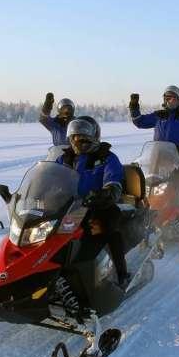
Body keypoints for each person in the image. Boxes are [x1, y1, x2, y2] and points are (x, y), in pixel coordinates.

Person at [56, 116, 129, 286]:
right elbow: (49, 176)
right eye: (73, 137)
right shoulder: (65, 158)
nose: (76, 141)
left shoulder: (106, 158)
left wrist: (108, 191)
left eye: (81, 137)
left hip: (99, 205)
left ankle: (121, 274)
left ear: (92, 137)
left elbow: (114, 178)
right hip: (71, 208)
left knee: (109, 229)